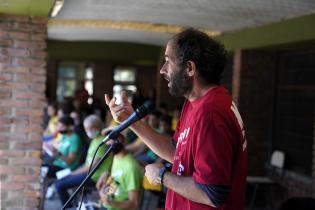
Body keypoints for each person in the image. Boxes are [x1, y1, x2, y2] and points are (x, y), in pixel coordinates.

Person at [105, 28, 247, 210]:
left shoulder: (210, 113)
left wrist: (162, 176)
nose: (163, 70)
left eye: (168, 61)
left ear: (189, 68)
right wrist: (130, 120)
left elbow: (213, 193)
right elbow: (177, 152)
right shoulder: (196, 103)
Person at [54, 114, 113, 206]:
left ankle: (68, 208)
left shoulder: (102, 141)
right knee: (59, 182)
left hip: (94, 176)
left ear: (98, 127)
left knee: (59, 185)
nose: (88, 131)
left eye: (91, 128)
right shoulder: (95, 139)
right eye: (86, 129)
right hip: (88, 173)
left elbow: (91, 167)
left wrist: (72, 173)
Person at [96, 131, 142, 210]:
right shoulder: (116, 157)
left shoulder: (131, 167)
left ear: (123, 139)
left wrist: (109, 202)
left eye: (114, 138)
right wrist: (107, 174)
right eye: (108, 138)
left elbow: (134, 204)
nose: (109, 142)